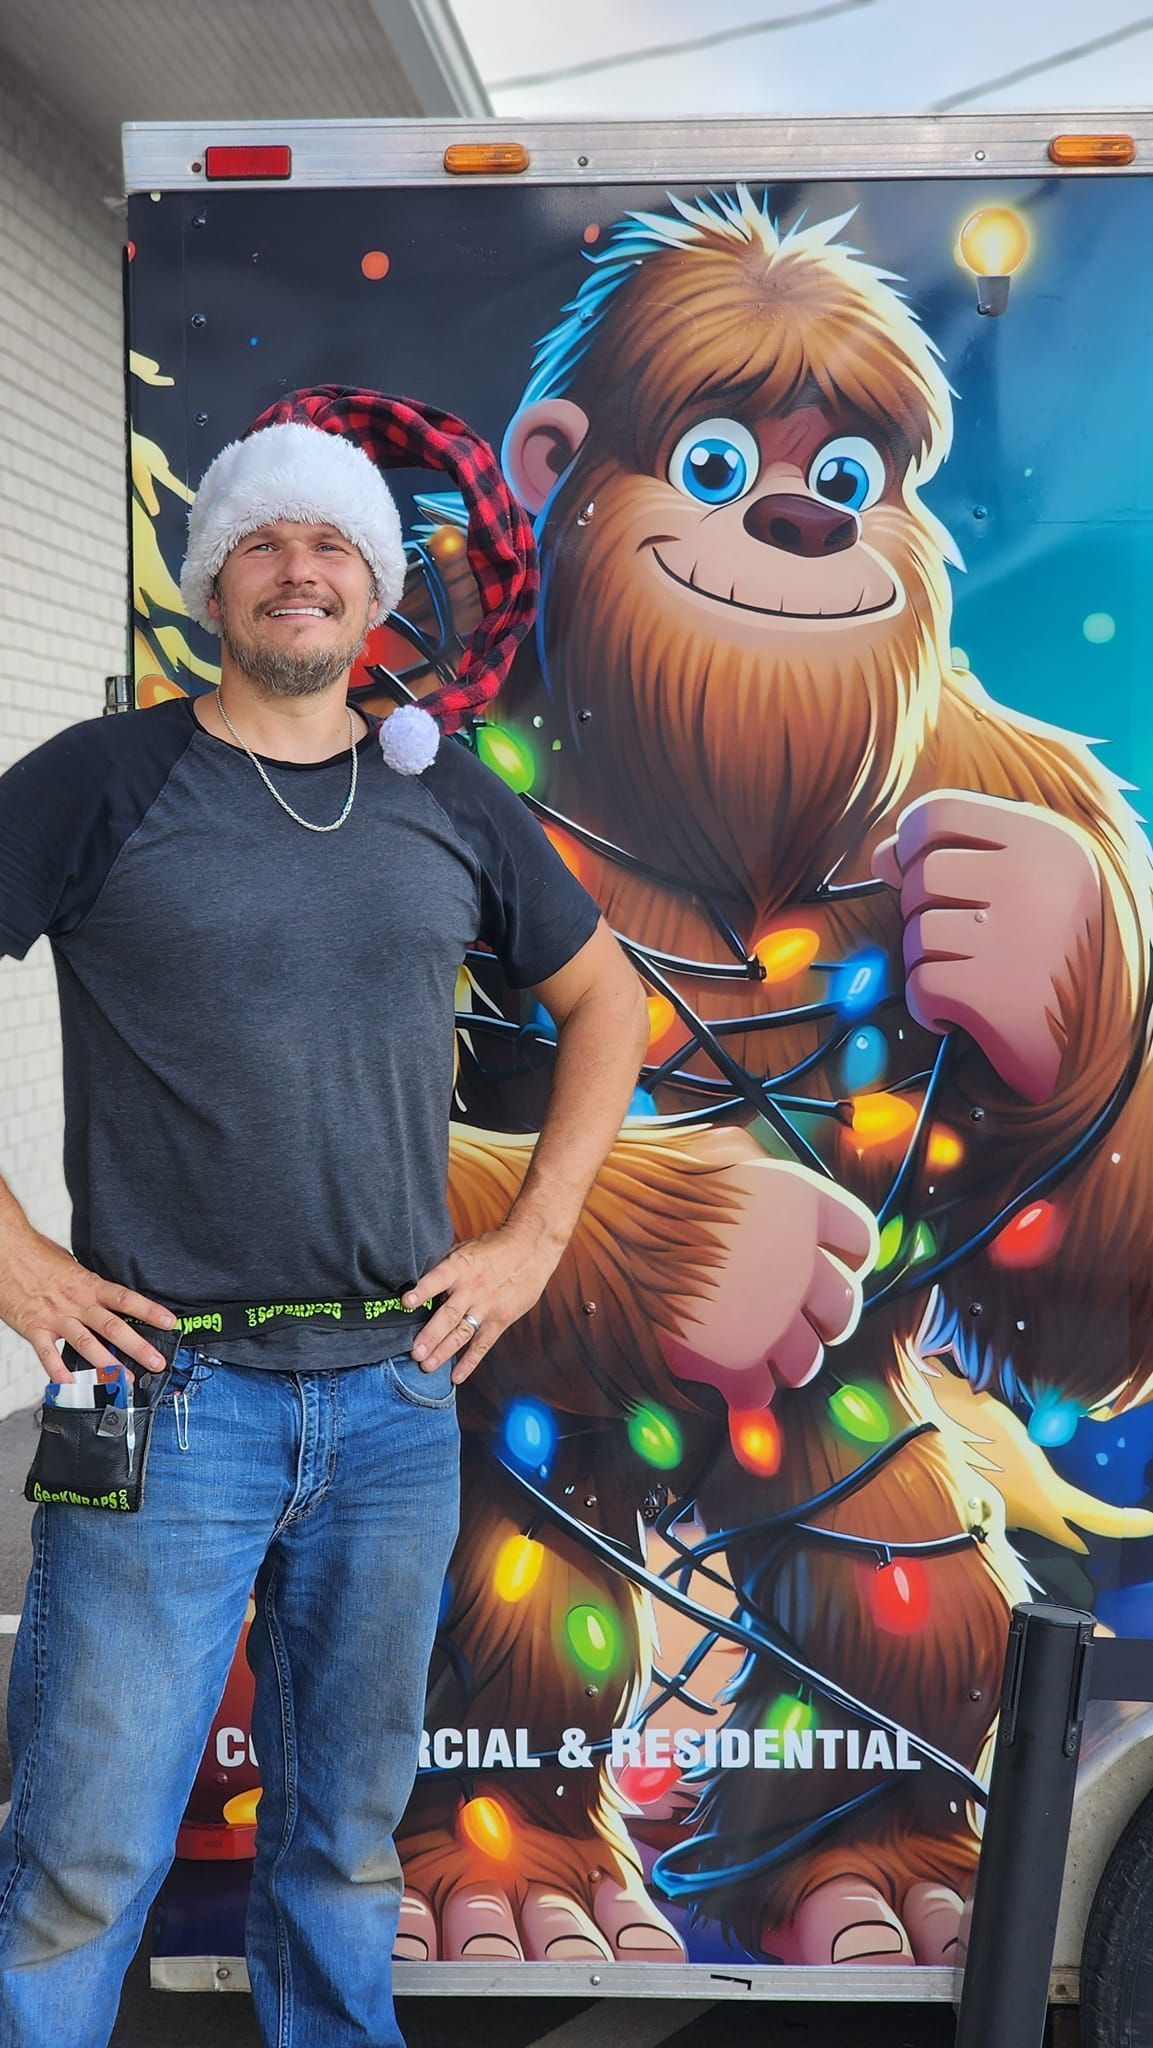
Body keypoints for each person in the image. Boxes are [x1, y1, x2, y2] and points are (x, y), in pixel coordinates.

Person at [0, 389, 650, 2047]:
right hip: (163, 1405)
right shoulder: (102, 779)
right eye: (266, 542)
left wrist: (536, 1239)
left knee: (349, 1857)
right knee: (81, 1862)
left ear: (379, 595)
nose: (302, 569)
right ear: (215, 586)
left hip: (390, 1405)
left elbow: (608, 1007)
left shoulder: (450, 800)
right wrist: (12, 1252)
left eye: (335, 546)